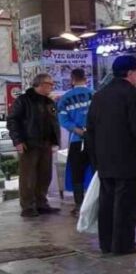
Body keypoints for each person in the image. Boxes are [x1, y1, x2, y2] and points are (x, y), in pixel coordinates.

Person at [84, 56, 136, 255]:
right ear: (130, 73)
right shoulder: (132, 95)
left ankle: (107, 243)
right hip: (128, 160)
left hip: (105, 160)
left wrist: (95, 158)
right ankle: (123, 244)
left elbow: (91, 129)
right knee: (126, 205)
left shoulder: (100, 95)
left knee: (107, 204)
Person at [7, 74, 61, 217]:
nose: (52, 87)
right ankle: (28, 206)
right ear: (41, 84)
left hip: (46, 143)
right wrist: (18, 141)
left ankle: (41, 203)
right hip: (29, 143)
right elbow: (12, 121)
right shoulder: (23, 100)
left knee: (45, 175)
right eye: (50, 84)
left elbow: (54, 121)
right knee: (28, 176)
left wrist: (55, 141)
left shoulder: (49, 102)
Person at [58, 68, 94, 212]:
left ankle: (79, 205)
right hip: (95, 139)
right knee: (98, 170)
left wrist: (76, 129)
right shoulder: (95, 94)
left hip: (77, 139)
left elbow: (63, 119)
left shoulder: (64, 98)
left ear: (72, 80)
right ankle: (98, 202)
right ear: (86, 79)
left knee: (77, 172)